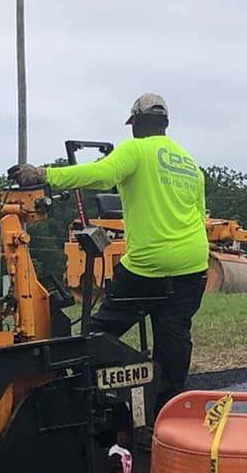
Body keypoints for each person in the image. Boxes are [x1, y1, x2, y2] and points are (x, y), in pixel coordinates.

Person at [11, 93, 208, 413]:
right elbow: (200, 215)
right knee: (174, 337)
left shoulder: (136, 149)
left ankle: (80, 394)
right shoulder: (189, 164)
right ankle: (167, 413)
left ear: (138, 123)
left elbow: (101, 175)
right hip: (192, 266)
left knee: (99, 332)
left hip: (148, 266)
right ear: (165, 124)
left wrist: (46, 174)